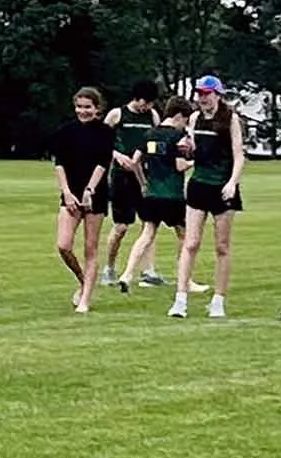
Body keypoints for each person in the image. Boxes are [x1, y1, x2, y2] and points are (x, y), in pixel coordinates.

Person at [174, 75, 245, 318]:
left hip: (222, 186)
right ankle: (180, 299)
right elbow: (193, 150)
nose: (202, 98)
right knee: (190, 242)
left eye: (207, 93)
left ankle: (218, 300)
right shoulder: (194, 118)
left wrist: (232, 183)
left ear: (217, 94)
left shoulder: (230, 119)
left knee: (222, 246)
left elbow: (239, 154)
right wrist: (188, 147)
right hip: (199, 184)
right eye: (199, 94)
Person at [50, 87, 111, 312]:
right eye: (79, 106)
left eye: (88, 107)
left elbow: (103, 163)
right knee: (63, 245)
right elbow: (59, 163)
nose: (82, 111)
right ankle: (83, 279)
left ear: (97, 108)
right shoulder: (66, 131)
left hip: (95, 194)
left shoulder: (104, 132)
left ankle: (85, 299)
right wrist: (66, 192)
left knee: (90, 248)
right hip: (71, 193)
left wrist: (90, 190)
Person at [121, 96, 190, 297]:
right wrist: (197, 162)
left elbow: (135, 161)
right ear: (178, 116)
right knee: (185, 237)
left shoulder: (150, 134)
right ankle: (186, 279)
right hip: (172, 194)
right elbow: (179, 165)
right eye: (185, 119)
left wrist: (143, 183)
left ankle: (127, 273)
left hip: (152, 193)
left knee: (147, 235)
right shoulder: (177, 136)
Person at [101, 80, 161, 288]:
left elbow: (155, 141)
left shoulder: (152, 117)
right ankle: (109, 268)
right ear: (140, 99)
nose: (150, 107)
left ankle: (148, 271)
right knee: (121, 226)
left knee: (149, 224)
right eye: (149, 103)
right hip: (121, 177)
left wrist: (149, 157)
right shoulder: (117, 115)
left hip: (144, 177)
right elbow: (101, 141)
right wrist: (117, 155)